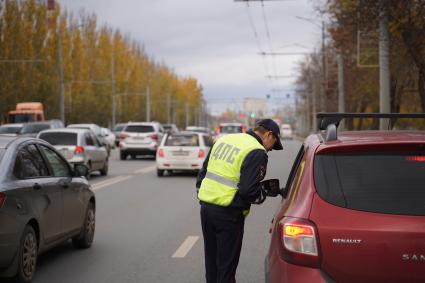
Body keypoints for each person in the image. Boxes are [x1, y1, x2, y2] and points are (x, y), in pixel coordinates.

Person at [196, 119, 283, 283]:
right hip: (229, 214)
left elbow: (203, 173)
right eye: (274, 143)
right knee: (226, 268)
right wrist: (263, 192)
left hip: (206, 209)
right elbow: (248, 191)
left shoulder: (225, 139)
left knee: (212, 263)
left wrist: (203, 199)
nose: (271, 149)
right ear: (269, 134)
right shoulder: (257, 151)